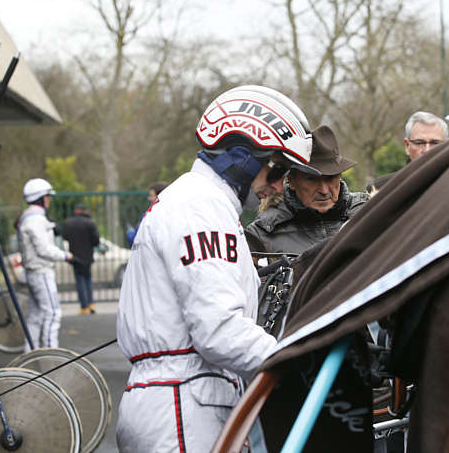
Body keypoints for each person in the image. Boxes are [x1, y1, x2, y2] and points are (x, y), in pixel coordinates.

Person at [116, 85, 314, 452]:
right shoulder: (201, 208)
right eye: (277, 169)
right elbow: (220, 331)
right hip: (183, 404)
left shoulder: (198, 202)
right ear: (241, 156)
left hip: (177, 397)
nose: (278, 185)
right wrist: (302, 363)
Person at [245, 125, 370, 254]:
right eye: (312, 179)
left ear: (340, 176)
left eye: (330, 178)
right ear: (292, 181)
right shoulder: (261, 235)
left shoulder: (370, 212)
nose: (324, 191)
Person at [16, 178, 72, 350]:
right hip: (41, 271)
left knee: (36, 315)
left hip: (34, 271)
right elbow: (43, 249)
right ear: (40, 198)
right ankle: (50, 356)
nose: (49, 200)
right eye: (48, 196)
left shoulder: (30, 217)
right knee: (53, 313)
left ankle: (30, 354)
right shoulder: (35, 219)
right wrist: (65, 256)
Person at [367, 111, 449, 193]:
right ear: (407, 146)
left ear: (447, 145)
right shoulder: (379, 190)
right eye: (419, 143)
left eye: (435, 143)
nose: (427, 150)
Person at [61, 203, 100, 315]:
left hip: (75, 256)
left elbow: (64, 236)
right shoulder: (90, 222)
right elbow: (96, 240)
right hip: (88, 255)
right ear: (84, 211)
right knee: (88, 279)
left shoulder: (68, 222)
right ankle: (91, 304)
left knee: (80, 281)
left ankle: (84, 307)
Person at [126, 181, 168, 246]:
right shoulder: (175, 215)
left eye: (151, 196)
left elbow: (134, 239)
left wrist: (130, 232)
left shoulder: (149, 216)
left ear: (159, 197)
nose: (149, 198)